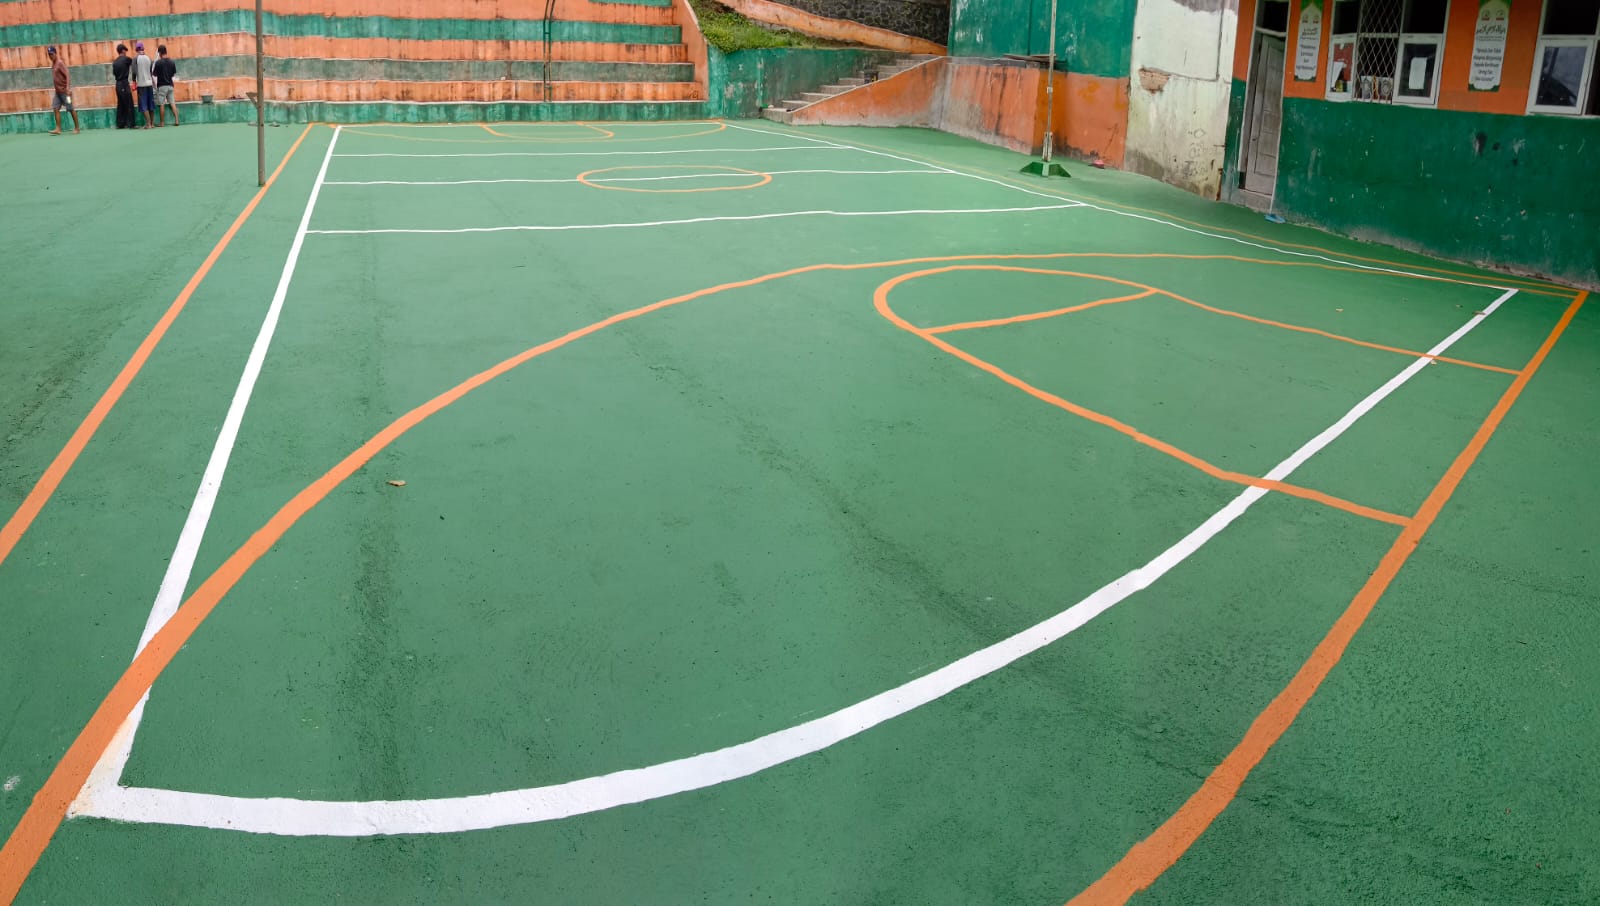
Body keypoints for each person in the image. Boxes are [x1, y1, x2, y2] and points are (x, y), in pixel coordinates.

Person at [45, 46, 79, 135]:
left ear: (55, 53)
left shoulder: (60, 63)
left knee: (71, 108)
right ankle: (58, 129)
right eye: (49, 55)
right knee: (55, 108)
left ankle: (77, 128)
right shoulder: (53, 64)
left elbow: (67, 74)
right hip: (58, 93)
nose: (50, 56)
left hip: (65, 92)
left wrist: (67, 88)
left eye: (52, 54)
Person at [153, 44, 178, 126]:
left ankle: (162, 122)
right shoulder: (172, 62)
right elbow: (173, 74)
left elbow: (154, 74)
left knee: (161, 104)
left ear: (159, 53)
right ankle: (177, 120)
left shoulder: (158, 63)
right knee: (172, 103)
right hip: (170, 85)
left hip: (162, 86)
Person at [111, 43, 134, 129]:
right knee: (129, 103)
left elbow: (114, 73)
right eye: (125, 51)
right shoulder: (126, 59)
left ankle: (120, 124)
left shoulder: (115, 62)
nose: (126, 52)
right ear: (123, 51)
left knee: (120, 104)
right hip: (124, 83)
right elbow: (134, 63)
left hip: (118, 84)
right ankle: (131, 124)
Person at [133, 41, 155, 129]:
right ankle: (152, 124)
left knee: (143, 104)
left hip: (141, 84)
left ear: (136, 49)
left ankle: (148, 124)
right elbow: (151, 71)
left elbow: (134, 72)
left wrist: (134, 81)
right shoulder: (148, 58)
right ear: (143, 48)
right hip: (149, 84)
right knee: (151, 104)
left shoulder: (135, 59)